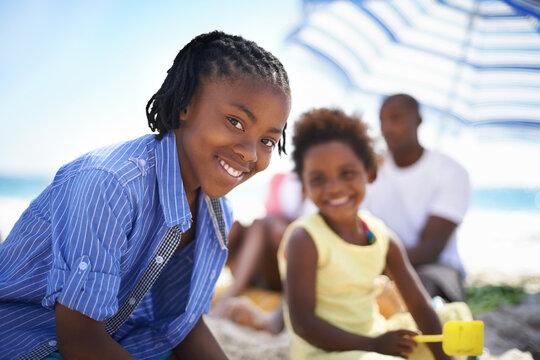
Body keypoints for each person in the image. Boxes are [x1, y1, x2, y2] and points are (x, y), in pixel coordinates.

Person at [0, 30, 291, 360]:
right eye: (236, 122)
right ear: (185, 103)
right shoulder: (111, 185)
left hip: (116, 336)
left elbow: (180, 325)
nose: (251, 153)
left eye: (267, 141)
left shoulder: (217, 211)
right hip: (30, 343)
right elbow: (80, 340)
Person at [278, 108, 453, 360]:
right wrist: (372, 345)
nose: (334, 187)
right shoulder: (305, 239)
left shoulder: (381, 236)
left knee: (452, 318)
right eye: (318, 179)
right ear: (304, 185)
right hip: (326, 352)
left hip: (375, 339)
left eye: (347, 173)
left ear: (369, 172)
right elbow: (304, 324)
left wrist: (443, 357)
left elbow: (418, 303)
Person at [362, 94, 471, 302]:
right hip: (379, 266)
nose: (387, 128)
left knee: (412, 289)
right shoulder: (372, 171)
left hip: (436, 270)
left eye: (395, 119)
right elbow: (362, 230)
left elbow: (431, 249)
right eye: (382, 120)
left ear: (418, 121)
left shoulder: (451, 172)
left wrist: (371, 267)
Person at [210, 172, 314, 334]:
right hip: (260, 263)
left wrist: (284, 229)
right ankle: (198, 283)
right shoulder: (282, 181)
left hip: (284, 271)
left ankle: (231, 294)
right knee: (239, 226)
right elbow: (269, 219)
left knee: (277, 231)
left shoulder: (324, 192)